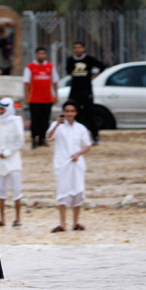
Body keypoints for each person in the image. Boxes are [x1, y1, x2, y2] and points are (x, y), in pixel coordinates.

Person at [47, 99, 93, 232]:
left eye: (72, 111)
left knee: (78, 191)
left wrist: (78, 154)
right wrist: (57, 124)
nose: (69, 114)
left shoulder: (80, 128)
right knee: (62, 192)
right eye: (67, 111)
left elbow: (87, 145)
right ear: (63, 112)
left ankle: (75, 223)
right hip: (62, 164)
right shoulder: (57, 125)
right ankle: (62, 224)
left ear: (76, 112)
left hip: (76, 164)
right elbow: (48, 136)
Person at [0, 97, 25, 227]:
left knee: (16, 191)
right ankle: (2, 219)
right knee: (1, 191)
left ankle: (17, 218)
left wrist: (7, 152)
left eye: (2, 109)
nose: (0, 111)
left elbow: (20, 141)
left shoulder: (16, 121)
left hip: (13, 161)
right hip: (0, 161)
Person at [66, 42, 106, 145]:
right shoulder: (70, 60)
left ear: (83, 49)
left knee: (90, 113)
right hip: (75, 90)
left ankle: (95, 137)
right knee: (73, 113)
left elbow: (102, 66)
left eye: (79, 47)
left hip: (86, 90)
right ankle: (74, 136)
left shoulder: (89, 59)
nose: (77, 50)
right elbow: (69, 72)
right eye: (75, 48)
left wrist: (93, 77)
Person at [24, 46, 59, 149]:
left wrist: (56, 95)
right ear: (36, 54)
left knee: (45, 119)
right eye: (39, 53)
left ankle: (43, 139)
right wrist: (26, 97)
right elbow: (26, 83)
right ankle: (34, 139)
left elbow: (55, 82)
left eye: (43, 53)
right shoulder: (30, 67)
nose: (41, 55)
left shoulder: (50, 67)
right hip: (34, 99)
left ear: (46, 55)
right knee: (35, 120)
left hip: (47, 98)